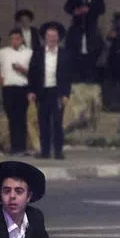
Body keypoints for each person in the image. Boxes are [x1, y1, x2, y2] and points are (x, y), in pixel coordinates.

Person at [27, 22, 72, 160]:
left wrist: (65, 94)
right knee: (43, 122)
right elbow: (32, 73)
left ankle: (58, 151)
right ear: (45, 37)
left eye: (54, 36)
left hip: (57, 92)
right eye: (49, 36)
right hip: (42, 92)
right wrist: (31, 91)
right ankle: (45, 151)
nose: (51, 38)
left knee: (57, 122)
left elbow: (68, 76)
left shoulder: (64, 53)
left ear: (58, 38)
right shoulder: (38, 53)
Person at [0, 28, 33, 155]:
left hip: (23, 87)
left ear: (22, 39)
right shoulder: (3, 52)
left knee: (22, 118)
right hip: (8, 88)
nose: (15, 41)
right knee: (12, 118)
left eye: (17, 38)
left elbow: (34, 72)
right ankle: (15, 147)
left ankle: (22, 148)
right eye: (12, 39)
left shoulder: (29, 53)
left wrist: (22, 70)